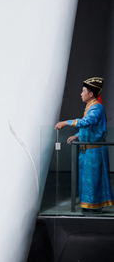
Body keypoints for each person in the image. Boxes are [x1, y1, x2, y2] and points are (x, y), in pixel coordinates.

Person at [55, 77, 113, 214]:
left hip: (95, 151)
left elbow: (87, 122)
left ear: (91, 94)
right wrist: (77, 136)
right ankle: (88, 206)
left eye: (83, 91)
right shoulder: (91, 106)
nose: (81, 94)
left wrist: (66, 122)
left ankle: (94, 208)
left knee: (94, 180)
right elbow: (89, 128)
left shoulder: (96, 107)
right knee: (86, 180)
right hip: (88, 151)